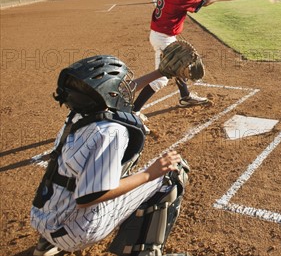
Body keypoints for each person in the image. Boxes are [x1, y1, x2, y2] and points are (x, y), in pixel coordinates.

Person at [31, 55, 189, 256]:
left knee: (86, 171)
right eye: (118, 87)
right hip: (77, 230)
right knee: (172, 173)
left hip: (43, 217)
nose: (123, 90)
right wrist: (150, 173)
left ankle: (47, 244)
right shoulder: (111, 130)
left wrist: (160, 73)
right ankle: (146, 253)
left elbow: (118, 92)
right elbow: (89, 196)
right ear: (109, 93)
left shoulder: (77, 115)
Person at [133, 0, 233, 116]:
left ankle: (185, 97)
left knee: (180, 63)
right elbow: (204, 4)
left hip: (163, 35)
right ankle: (135, 110)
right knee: (162, 78)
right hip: (162, 39)